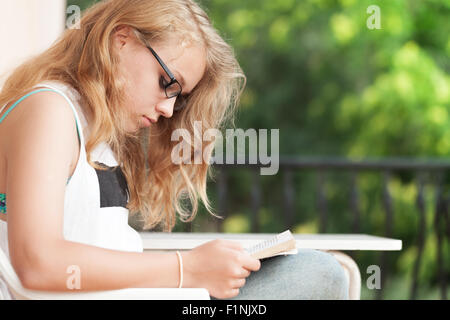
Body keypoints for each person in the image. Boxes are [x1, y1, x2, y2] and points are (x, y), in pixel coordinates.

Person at [0, 0, 348, 300]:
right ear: (122, 40)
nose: (168, 110)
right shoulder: (50, 109)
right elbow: (37, 262)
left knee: (318, 270)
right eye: (168, 83)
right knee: (320, 272)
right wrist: (186, 268)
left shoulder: (97, 128)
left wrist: (195, 272)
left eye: (178, 97)